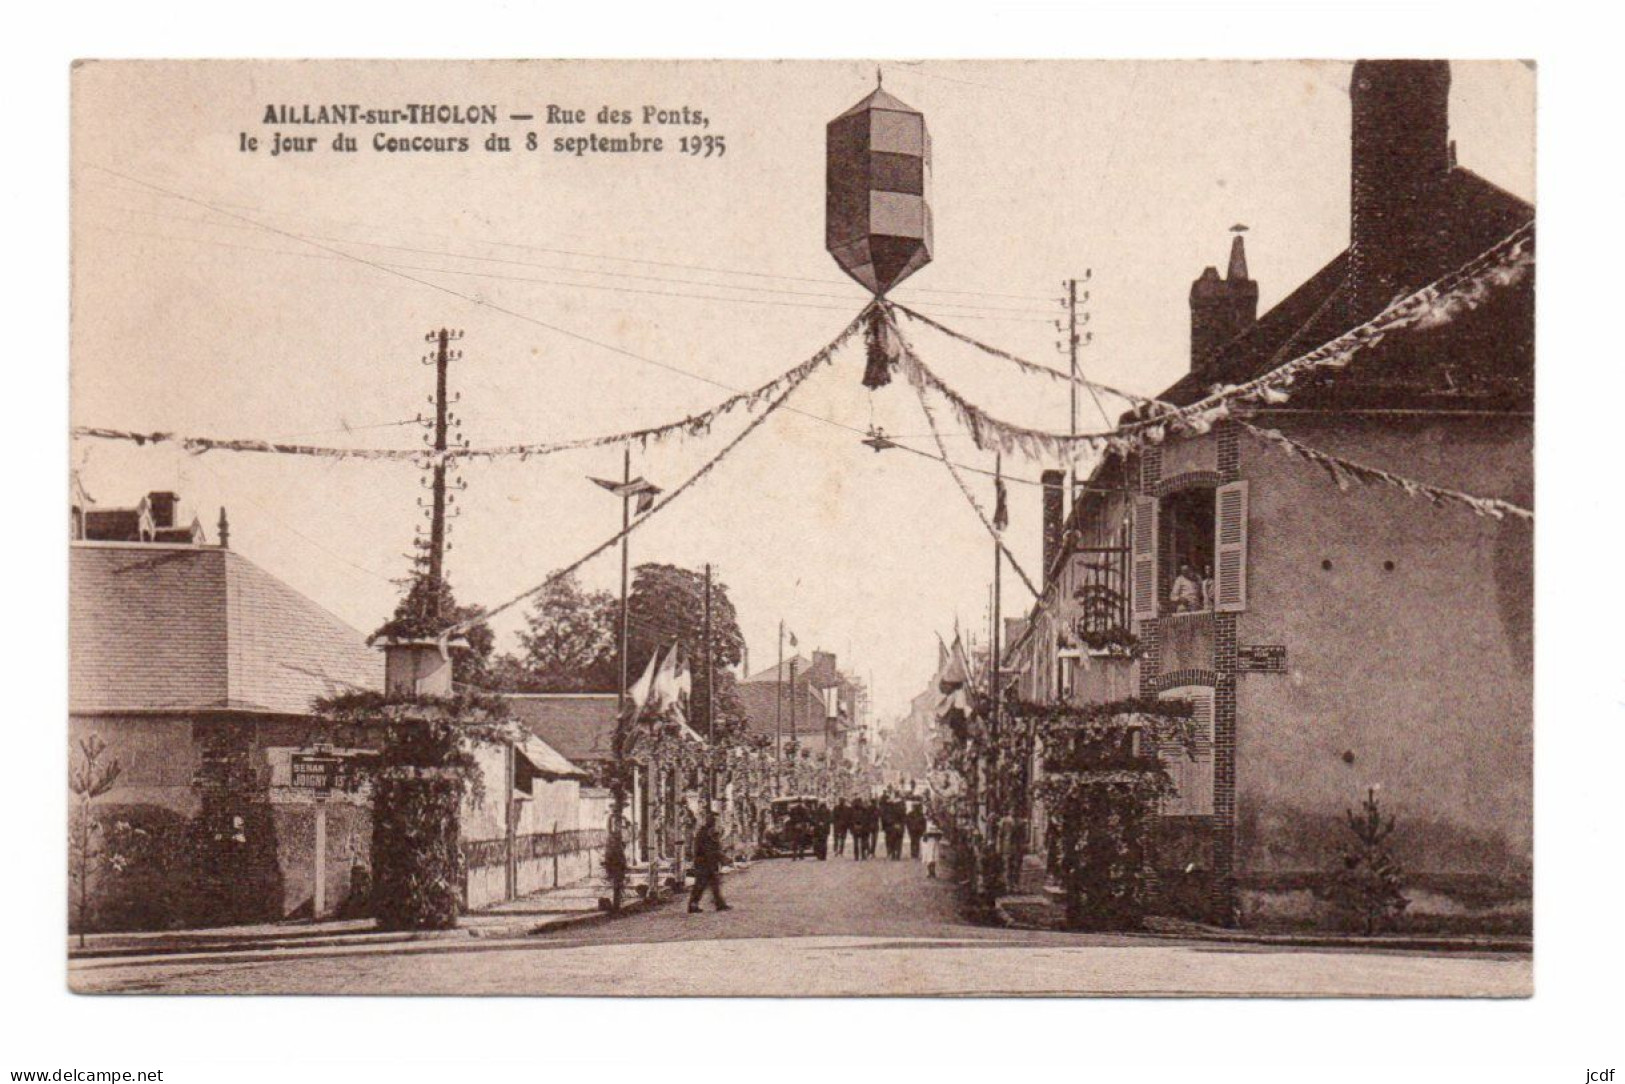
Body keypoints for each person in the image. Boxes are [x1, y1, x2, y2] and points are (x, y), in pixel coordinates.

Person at [688, 813, 731, 914]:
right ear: (711, 821)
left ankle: (720, 904)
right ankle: (693, 905)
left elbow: (715, 849)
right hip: (704, 863)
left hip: (708, 863)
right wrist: (723, 859)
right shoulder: (705, 834)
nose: (717, 823)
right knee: (700, 885)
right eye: (716, 821)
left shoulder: (708, 832)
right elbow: (711, 850)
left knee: (714, 884)